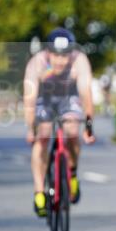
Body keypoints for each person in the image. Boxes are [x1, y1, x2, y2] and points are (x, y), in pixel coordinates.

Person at [23, 28, 96, 216]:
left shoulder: (79, 61)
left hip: (68, 97)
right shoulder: (37, 63)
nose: (60, 61)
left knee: (72, 129)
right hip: (44, 98)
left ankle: (71, 174)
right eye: (55, 55)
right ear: (48, 53)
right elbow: (29, 98)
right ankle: (39, 192)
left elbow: (86, 93)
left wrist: (88, 126)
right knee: (44, 134)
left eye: (64, 56)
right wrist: (31, 127)